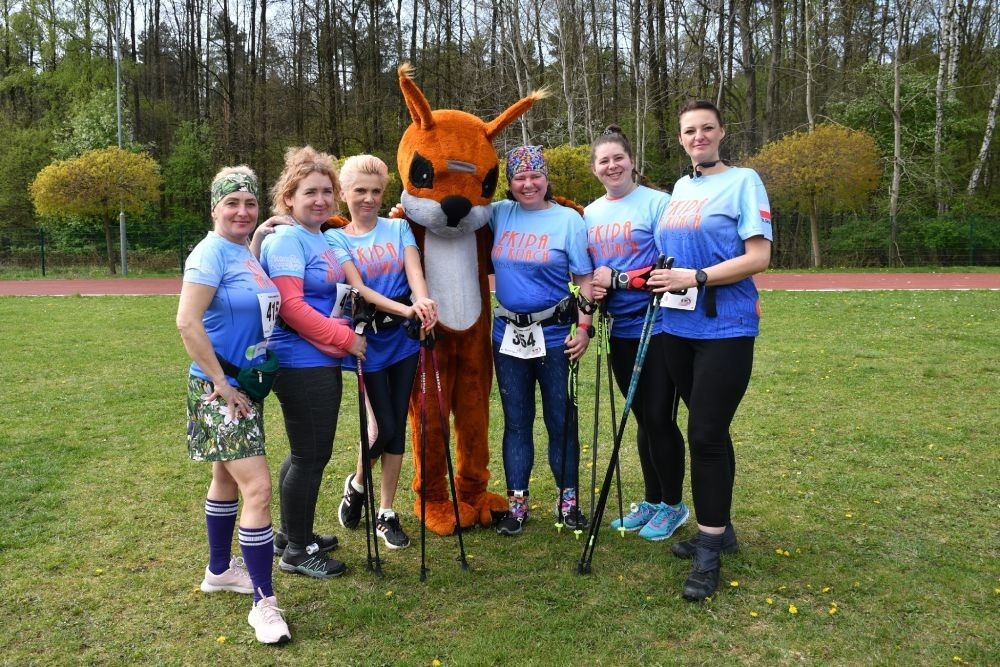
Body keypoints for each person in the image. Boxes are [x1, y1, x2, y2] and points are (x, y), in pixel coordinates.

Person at [646, 100, 772, 601]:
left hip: (727, 326)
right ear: (680, 138)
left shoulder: (744, 181)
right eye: (689, 131)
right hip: (677, 325)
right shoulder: (680, 189)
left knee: (704, 435)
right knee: (710, 431)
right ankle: (723, 530)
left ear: (721, 132)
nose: (698, 136)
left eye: (706, 128)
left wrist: (695, 276)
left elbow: (759, 256)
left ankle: (709, 551)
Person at [176, 166, 291, 644]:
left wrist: (260, 235)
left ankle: (220, 570)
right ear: (214, 208)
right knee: (258, 489)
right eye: (232, 203)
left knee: (226, 478)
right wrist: (222, 384)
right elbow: (186, 322)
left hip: (243, 386)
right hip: (219, 390)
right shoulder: (208, 255)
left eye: (250, 203)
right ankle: (264, 603)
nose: (242, 211)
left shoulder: (243, 251)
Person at [258, 146, 366, 578]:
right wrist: (346, 339)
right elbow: (290, 306)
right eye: (309, 192)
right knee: (311, 455)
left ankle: (290, 534)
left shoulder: (318, 236)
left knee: (306, 451)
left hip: (318, 358)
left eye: (326, 191)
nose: (320, 200)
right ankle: (298, 552)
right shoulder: (288, 239)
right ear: (288, 198)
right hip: (299, 361)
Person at [324, 154, 437, 550]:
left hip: (404, 341)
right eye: (360, 191)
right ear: (344, 193)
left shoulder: (399, 227)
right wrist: (407, 309)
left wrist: (422, 301)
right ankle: (357, 484)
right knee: (383, 427)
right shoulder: (336, 238)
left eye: (375, 191)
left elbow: (414, 272)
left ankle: (385, 512)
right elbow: (359, 288)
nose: (369, 199)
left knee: (397, 427)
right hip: (368, 344)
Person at [585, 126, 689, 542]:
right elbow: (590, 272)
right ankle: (653, 500)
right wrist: (594, 289)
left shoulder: (658, 203)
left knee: (660, 416)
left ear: (631, 161)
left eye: (618, 158)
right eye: (604, 161)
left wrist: (619, 279)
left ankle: (674, 505)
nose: (612, 166)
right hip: (620, 329)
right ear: (595, 168)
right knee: (642, 417)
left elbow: (672, 264)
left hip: (658, 325)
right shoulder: (590, 214)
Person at [490, 145, 594, 536]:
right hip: (508, 335)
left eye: (535, 176)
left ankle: (568, 503)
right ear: (510, 182)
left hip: (554, 335)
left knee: (560, 420)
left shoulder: (567, 219)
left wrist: (584, 327)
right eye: (520, 177)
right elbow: (458, 212)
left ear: (547, 178)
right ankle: (517, 505)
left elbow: (583, 277)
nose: (528, 184)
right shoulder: (499, 214)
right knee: (516, 422)